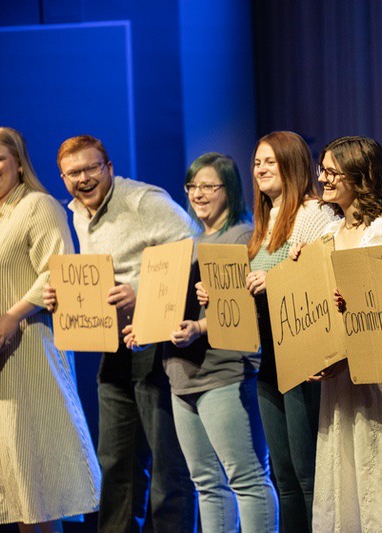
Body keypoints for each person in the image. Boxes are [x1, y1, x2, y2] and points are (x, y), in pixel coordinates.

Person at [43, 134, 197, 532]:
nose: (84, 178)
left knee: (168, 464)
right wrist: (62, 294)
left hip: (158, 341)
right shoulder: (76, 211)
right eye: (73, 172)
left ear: (109, 168)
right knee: (115, 462)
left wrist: (143, 294)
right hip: (114, 345)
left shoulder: (144, 201)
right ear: (62, 177)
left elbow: (193, 250)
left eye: (92, 168)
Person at [124, 152, 279, 531]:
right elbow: (167, 306)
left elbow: (240, 306)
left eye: (209, 186)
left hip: (225, 373)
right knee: (206, 484)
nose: (199, 193)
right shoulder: (187, 243)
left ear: (230, 189)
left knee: (246, 478)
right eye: (193, 186)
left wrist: (199, 327)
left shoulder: (243, 235)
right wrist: (145, 329)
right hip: (181, 375)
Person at [196, 131, 336, 532]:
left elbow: (317, 280)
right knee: (285, 476)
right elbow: (251, 292)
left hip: (304, 355)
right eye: (256, 162)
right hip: (269, 358)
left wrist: (271, 279)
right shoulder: (263, 221)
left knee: (308, 474)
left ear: (292, 164)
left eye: (269, 161)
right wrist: (219, 293)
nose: (259, 169)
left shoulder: (313, 212)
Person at [296, 135, 382, 532]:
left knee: (378, 463)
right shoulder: (328, 235)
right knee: (343, 471)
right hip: (338, 378)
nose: (324, 179)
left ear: (360, 175)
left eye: (332, 171)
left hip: (375, 374)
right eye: (323, 170)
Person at [0, 127, 100, 531]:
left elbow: (59, 269)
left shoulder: (38, 206)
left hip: (27, 353)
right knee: (14, 483)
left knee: (39, 482)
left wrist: (13, 315)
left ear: (18, 163)